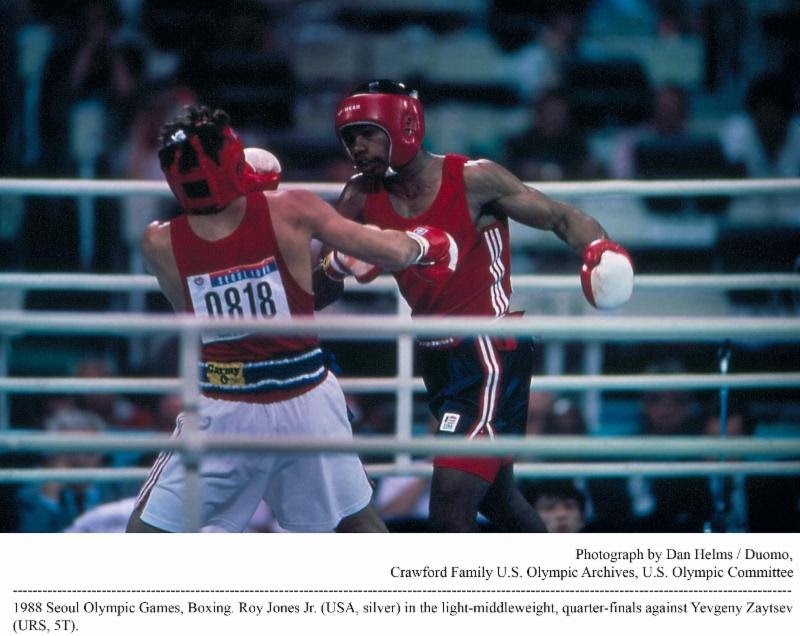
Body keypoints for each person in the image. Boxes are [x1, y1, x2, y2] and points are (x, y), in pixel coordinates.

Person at [126, 105, 457, 533]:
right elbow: (391, 252)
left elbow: (192, 316)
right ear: (232, 157)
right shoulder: (290, 209)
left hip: (226, 409)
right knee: (358, 527)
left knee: (145, 534)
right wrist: (429, 243)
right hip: (305, 401)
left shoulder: (158, 242)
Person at [324, 79, 634, 532]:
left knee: (451, 499)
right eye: (349, 137)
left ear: (403, 125)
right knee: (499, 497)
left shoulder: (472, 179)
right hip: (438, 357)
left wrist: (601, 250)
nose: (357, 146)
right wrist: (336, 264)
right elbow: (315, 292)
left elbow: (561, 217)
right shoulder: (358, 196)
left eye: (368, 133)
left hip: (489, 350)